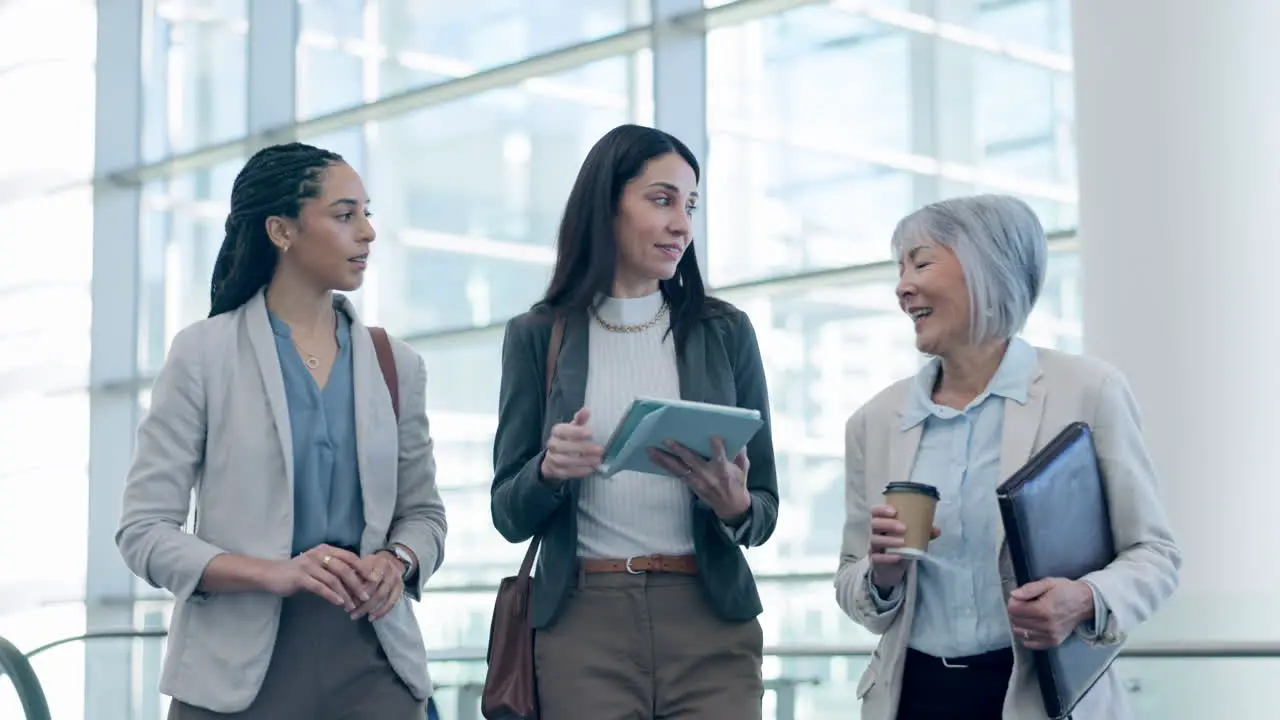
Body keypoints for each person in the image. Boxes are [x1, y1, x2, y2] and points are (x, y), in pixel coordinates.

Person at [116, 142, 447, 719]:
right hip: (233, 677)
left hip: (374, 668)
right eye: (345, 215)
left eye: (367, 213)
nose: (367, 232)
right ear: (281, 230)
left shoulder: (396, 364)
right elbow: (144, 531)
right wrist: (274, 573)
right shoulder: (203, 354)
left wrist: (397, 561)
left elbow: (424, 515)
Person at [834, 195, 1181, 720]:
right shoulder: (874, 422)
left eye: (921, 262)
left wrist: (1084, 598)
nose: (902, 287)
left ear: (986, 266)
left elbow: (1155, 556)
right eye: (899, 268)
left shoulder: (1089, 391)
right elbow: (851, 581)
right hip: (915, 697)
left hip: (1040, 697)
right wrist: (880, 576)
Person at [490, 124, 779, 719]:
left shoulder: (724, 332)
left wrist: (735, 506)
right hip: (582, 622)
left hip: (710, 618)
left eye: (690, 205)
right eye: (662, 199)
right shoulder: (537, 336)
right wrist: (547, 471)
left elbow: (764, 509)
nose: (683, 224)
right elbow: (507, 514)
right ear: (607, 204)